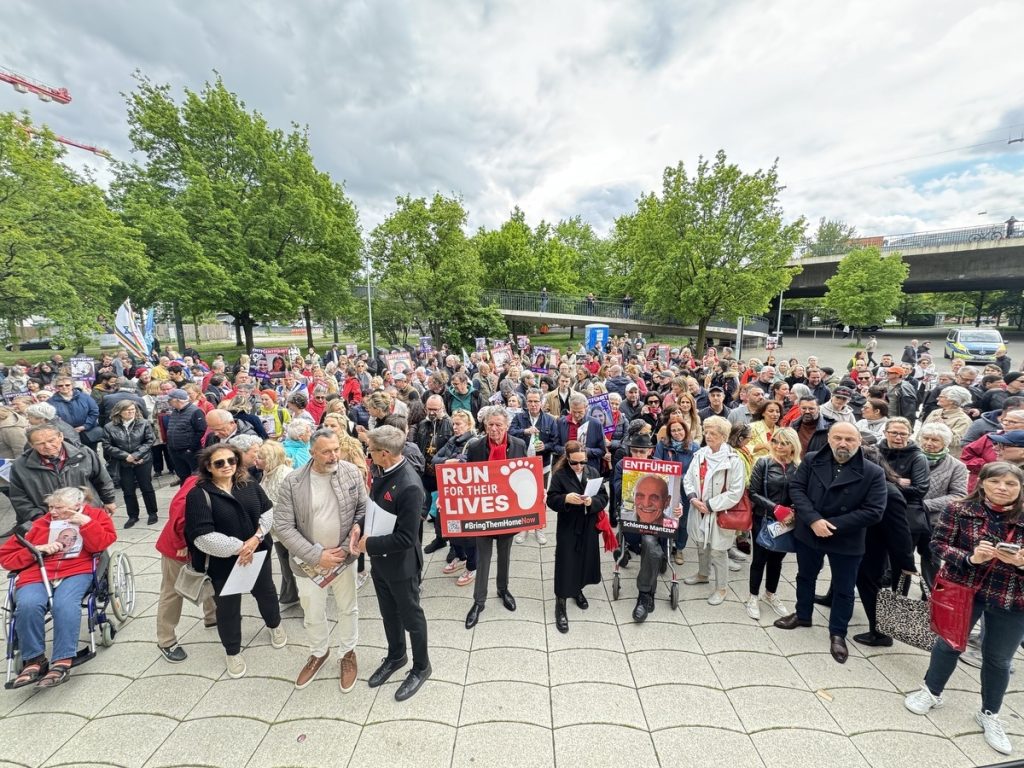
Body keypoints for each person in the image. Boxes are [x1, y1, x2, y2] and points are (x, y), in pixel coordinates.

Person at [904, 462, 1024, 757]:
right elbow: (938, 545)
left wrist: (1020, 563)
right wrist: (971, 557)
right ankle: (931, 691)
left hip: (1011, 596)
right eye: (996, 482)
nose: (1002, 488)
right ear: (982, 483)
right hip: (964, 589)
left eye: (1011, 484)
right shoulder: (959, 509)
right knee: (948, 644)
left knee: (998, 658)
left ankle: (990, 713)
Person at [774, 422, 886, 663]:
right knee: (805, 576)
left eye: (849, 439)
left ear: (859, 442)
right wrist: (814, 520)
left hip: (846, 538)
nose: (843, 443)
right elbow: (797, 489)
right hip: (810, 532)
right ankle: (803, 614)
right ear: (829, 439)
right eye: (838, 438)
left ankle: (838, 633)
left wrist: (831, 525)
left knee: (844, 589)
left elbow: (874, 511)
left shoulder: (873, 472)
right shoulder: (813, 459)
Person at [184, 444, 287, 678]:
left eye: (231, 460)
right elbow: (202, 536)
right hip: (224, 563)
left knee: (266, 593)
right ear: (208, 467)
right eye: (219, 463)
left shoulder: (248, 484)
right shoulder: (199, 495)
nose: (227, 466)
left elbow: (267, 511)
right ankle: (232, 650)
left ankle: (274, 625)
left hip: (257, 553)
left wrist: (256, 539)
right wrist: (240, 548)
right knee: (228, 607)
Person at [274, 430, 365, 691]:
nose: (333, 455)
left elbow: (362, 508)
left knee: (348, 608)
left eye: (336, 449)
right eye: (326, 451)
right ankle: (319, 652)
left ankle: (347, 652)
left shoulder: (350, 472)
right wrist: (316, 555)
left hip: (343, 558)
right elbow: (283, 525)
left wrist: (348, 545)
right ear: (312, 452)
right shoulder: (293, 482)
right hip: (309, 562)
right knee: (313, 612)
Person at [0, 487, 117, 688]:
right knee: (27, 604)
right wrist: (36, 550)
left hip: (76, 570)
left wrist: (86, 525)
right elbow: (5, 557)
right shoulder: (38, 524)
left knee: (64, 604)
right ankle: (34, 659)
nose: (53, 512)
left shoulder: (95, 516)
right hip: (38, 572)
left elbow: (101, 544)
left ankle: (63, 659)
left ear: (77, 506)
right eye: (51, 507)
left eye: (59, 508)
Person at [352, 425, 431, 701]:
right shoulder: (381, 470)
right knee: (388, 613)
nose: (368, 454)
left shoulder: (409, 485)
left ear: (384, 453)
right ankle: (396, 655)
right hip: (381, 563)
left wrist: (368, 545)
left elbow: (407, 538)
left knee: (411, 616)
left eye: (370, 450)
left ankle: (421, 666)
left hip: (402, 565)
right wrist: (359, 527)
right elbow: (374, 507)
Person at [461, 405, 527, 629]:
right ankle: (479, 602)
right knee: (483, 557)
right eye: (490, 425)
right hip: (484, 513)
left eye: (499, 425)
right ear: (485, 425)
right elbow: (467, 477)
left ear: (507, 426)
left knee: (505, 554)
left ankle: (503, 589)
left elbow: (526, 475)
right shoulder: (476, 446)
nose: (494, 429)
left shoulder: (519, 445)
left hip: (508, 512)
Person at [851, 444, 916, 647]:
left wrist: (906, 564)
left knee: (868, 585)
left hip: (875, 550)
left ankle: (880, 633)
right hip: (863, 545)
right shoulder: (868, 485)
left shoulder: (889, 493)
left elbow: (901, 534)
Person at [682, 416, 748, 607]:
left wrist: (710, 505)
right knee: (701, 545)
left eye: (713, 433)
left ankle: (721, 588)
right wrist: (693, 497)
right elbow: (688, 479)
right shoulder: (700, 454)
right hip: (698, 508)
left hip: (719, 512)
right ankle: (703, 574)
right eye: (706, 431)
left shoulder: (734, 460)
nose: (708, 436)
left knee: (718, 551)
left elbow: (736, 492)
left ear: (724, 436)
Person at [154, 473, 219, 663]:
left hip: (202, 544)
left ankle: (212, 616)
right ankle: (166, 640)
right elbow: (179, 511)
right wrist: (182, 542)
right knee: (172, 591)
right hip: (179, 547)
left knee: (209, 576)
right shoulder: (200, 484)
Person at [547, 439, 609, 633]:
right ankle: (561, 602)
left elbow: (603, 496)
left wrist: (592, 501)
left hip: (588, 524)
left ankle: (577, 589)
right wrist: (565, 498)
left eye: (583, 462)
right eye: (575, 462)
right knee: (566, 561)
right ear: (567, 459)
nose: (579, 466)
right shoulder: (560, 475)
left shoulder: (593, 472)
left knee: (584, 558)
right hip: (569, 525)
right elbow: (551, 499)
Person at [8, 424, 117, 529]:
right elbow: (19, 497)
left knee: (95, 543)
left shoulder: (84, 453)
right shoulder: (20, 466)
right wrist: (38, 517)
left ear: (61, 436)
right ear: (31, 445)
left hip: (87, 514)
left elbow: (102, 478)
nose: (47, 446)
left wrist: (109, 500)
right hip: (49, 519)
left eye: (51, 440)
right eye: (40, 443)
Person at [745, 427, 801, 620]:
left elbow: (802, 492)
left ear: (793, 445)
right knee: (759, 559)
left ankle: (770, 593)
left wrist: (792, 510)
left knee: (777, 559)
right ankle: (753, 596)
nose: (779, 446)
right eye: (776, 441)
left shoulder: (798, 467)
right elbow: (753, 492)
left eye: (784, 443)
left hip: (788, 520)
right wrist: (775, 508)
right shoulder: (764, 463)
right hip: (764, 517)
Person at [102, 399, 158, 527]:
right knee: (128, 490)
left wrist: (136, 455)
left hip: (143, 460)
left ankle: (152, 513)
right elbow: (107, 445)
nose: (131, 412)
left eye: (133, 410)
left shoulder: (143, 423)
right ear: (119, 412)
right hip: (123, 462)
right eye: (127, 410)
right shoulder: (109, 427)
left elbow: (150, 440)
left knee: (146, 487)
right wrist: (125, 456)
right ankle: (133, 516)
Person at [654, 421, 698, 565]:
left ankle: (679, 548)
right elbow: (657, 462)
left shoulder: (694, 447)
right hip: (667, 487)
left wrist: (681, 477)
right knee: (665, 517)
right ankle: (664, 547)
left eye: (680, 430)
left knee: (683, 520)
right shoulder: (663, 445)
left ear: (685, 431)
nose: (677, 433)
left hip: (685, 489)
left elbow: (695, 470)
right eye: (673, 430)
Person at [165, 388, 207, 484]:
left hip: (189, 451)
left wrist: (191, 448)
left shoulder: (196, 411)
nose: (169, 402)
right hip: (175, 451)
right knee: (183, 476)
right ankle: (184, 497)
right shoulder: (175, 411)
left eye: (170, 400)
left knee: (196, 477)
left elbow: (201, 431)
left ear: (178, 400)